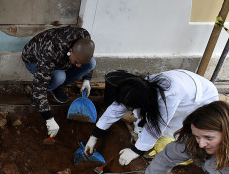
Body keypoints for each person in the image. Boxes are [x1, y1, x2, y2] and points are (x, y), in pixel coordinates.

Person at [83, 70, 218, 165]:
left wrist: (137, 151)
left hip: (201, 99)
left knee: (176, 134)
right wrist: (95, 135)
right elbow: (116, 108)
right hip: (186, 83)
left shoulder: (168, 98)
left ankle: (190, 155)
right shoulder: (137, 88)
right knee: (151, 128)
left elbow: (157, 124)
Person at [21, 25, 96, 138]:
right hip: (34, 60)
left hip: (61, 59)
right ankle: (47, 89)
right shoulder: (51, 51)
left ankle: (56, 87)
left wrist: (87, 79)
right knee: (59, 77)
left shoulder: (85, 38)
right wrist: (49, 118)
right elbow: (39, 87)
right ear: (70, 51)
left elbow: (86, 57)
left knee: (91, 63)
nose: (79, 66)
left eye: (80, 62)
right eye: (76, 62)